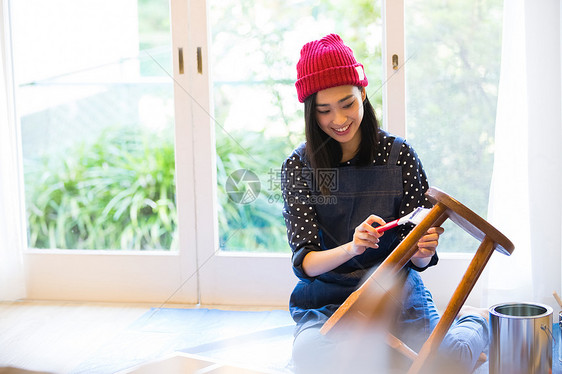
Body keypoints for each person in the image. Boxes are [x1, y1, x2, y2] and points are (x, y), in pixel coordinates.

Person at [281, 34, 489, 373]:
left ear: (363, 93)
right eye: (324, 110)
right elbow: (305, 264)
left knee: (445, 362)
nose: (339, 119)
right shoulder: (298, 166)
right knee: (310, 357)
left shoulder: (399, 155)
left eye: (347, 103)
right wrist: (352, 248)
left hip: (397, 294)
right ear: (311, 112)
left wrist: (422, 252)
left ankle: (478, 324)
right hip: (328, 300)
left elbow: (421, 258)